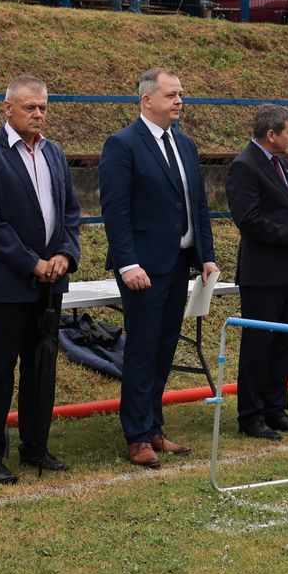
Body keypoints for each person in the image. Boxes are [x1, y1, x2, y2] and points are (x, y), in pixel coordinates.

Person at [0, 75, 82, 483]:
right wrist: (32, 263)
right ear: (8, 108)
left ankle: (36, 446)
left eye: (43, 107)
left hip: (52, 280)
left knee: (42, 365)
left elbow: (70, 212)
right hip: (10, 281)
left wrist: (64, 254)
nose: (38, 114)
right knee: (0, 368)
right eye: (30, 107)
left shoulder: (55, 153)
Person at [98, 67, 219, 469]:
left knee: (164, 348)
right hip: (143, 268)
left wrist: (205, 254)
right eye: (171, 95)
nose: (179, 101)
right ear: (147, 100)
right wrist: (127, 263)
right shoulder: (123, 144)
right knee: (142, 349)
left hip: (179, 263)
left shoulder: (184, 144)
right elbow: (115, 210)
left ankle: (153, 427)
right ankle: (136, 436)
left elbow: (198, 204)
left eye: (181, 94)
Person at [224, 105, 288, 440]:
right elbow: (249, 220)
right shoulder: (244, 166)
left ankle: (276, 409)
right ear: (271, 134)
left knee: (284, 343)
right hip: (263, 275)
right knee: (258, 346)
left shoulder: (283, 164)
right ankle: (251, 415)